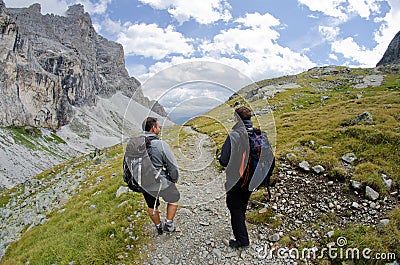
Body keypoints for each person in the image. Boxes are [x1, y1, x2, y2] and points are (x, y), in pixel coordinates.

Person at [218, 106, 256, 249]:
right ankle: (241, 227)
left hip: (236, 179)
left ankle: (242, 241)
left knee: (234, 207)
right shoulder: (258, 133)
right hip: (253, 178)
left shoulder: (233, 135)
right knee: (242, 204)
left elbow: (223, 160)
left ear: (236, 119)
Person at [141, 117, 180, 235]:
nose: (160, 127)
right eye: (158, 126)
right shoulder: (160, 144)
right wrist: (173, 179)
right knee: (174, 199)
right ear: (153, 128)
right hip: (160, 182)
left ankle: (158, 227)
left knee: (151, 205)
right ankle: (169, 225)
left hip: (143, 182)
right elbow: (172, 166)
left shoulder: (136, 143)